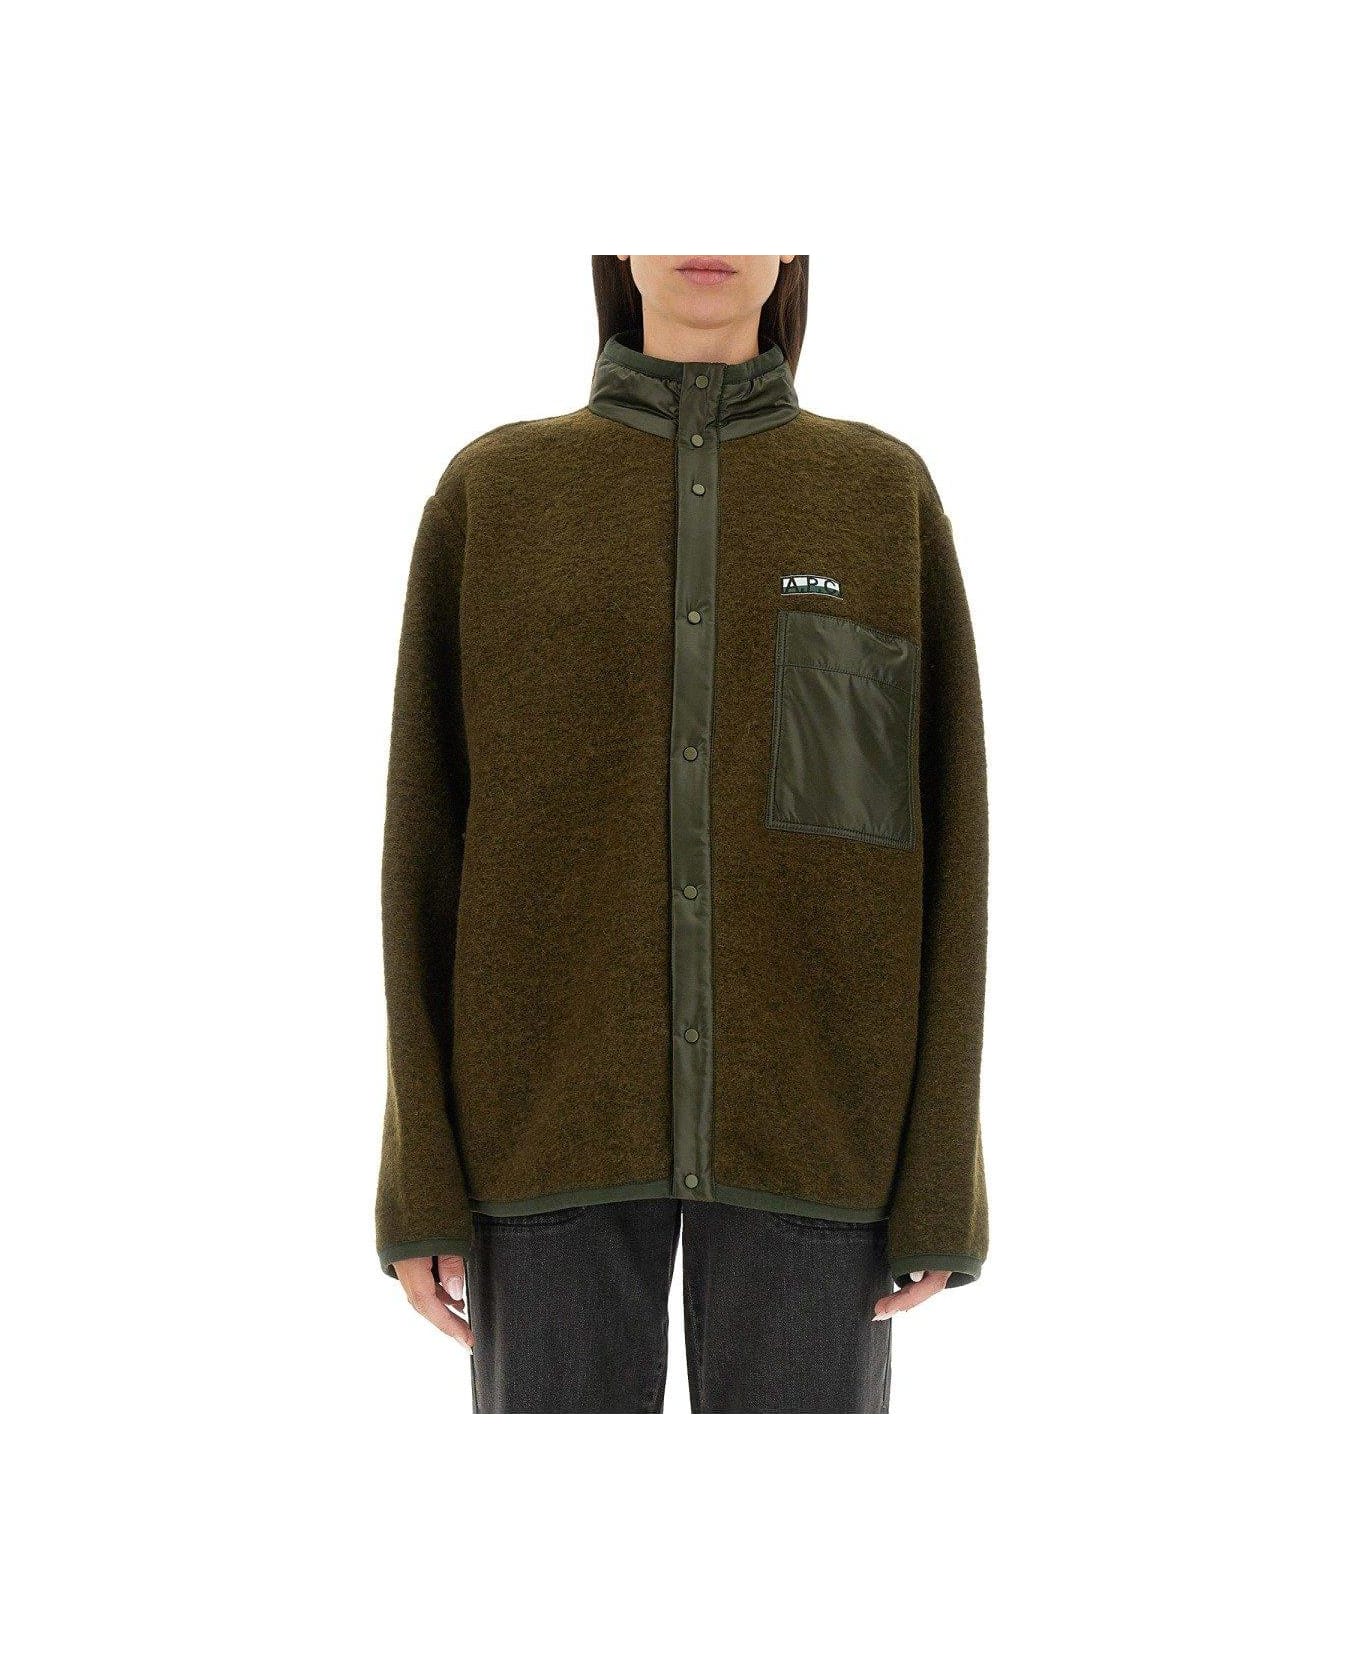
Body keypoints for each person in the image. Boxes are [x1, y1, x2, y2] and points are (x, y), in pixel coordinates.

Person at [376, 255, 989, 1413]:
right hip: (540, 1131)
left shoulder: (877, 496)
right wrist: (421, 1180)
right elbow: (424, 853)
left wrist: (939, 1184)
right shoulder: (498, 494)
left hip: (818, 1135)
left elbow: (950, 860)